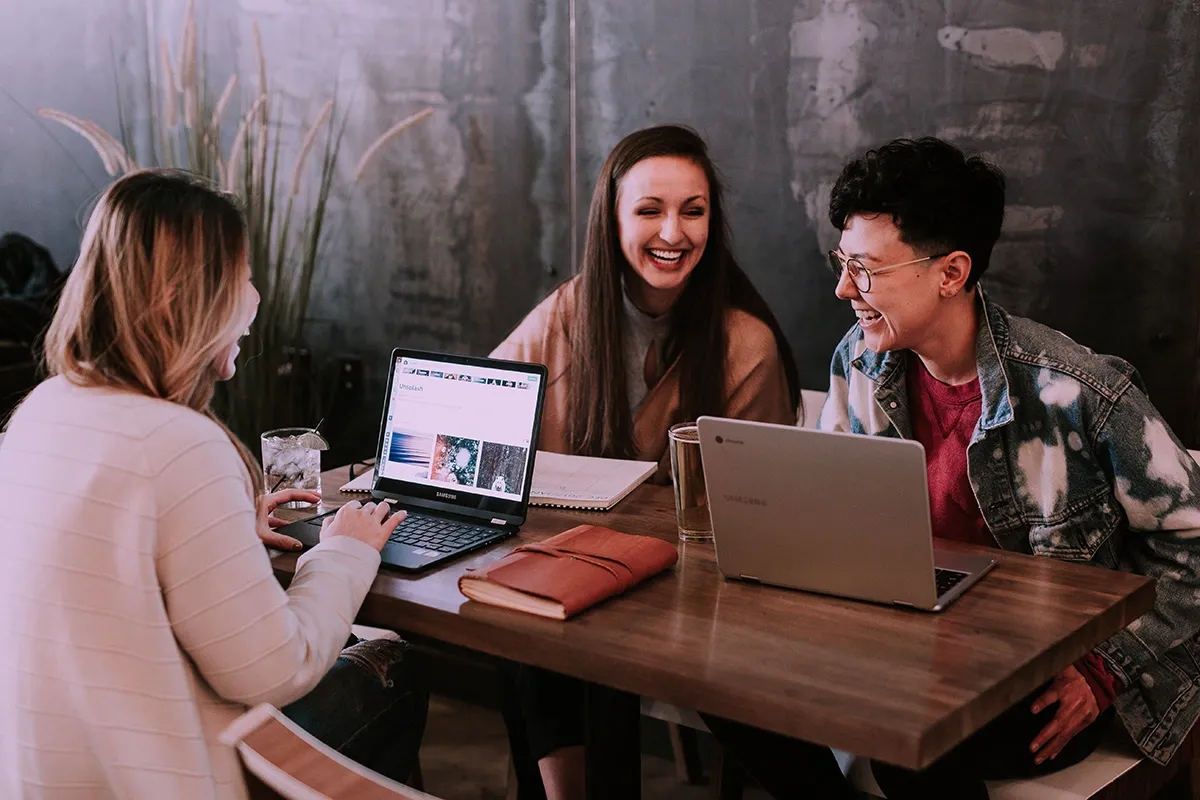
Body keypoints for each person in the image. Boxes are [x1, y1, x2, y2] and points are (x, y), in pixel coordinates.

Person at [704, 136, 1200, 799]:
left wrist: (1105, 669)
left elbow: (1190, 545)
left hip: (1039, 671)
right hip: (903, 646)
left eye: (866, 268)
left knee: (912, 740)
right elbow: (832, 526)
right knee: (721, 682)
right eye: (842, 262)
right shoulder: (859, 361)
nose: (843, 287)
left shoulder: (1077, 391)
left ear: (951, 272)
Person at [0, 169, 428, 799]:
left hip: (50, 774)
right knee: (396, 665)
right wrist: (346, 550)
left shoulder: (41, 409)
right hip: (155, 779)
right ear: (188, 296)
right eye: (244, 276)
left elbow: (98, 568)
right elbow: (274, 671)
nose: (254, 297)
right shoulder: (180, 443)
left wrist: (223, 525)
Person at [492, 124, 800, 799]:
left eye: (693, 210)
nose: (674, 232)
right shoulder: (572, 310)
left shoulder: (744, 344)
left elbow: (758, 512)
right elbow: (488, 405)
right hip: (575, 575)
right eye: (649, 210)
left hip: (691, 596)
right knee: (524, 620)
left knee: (552, 631)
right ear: (612, 219)